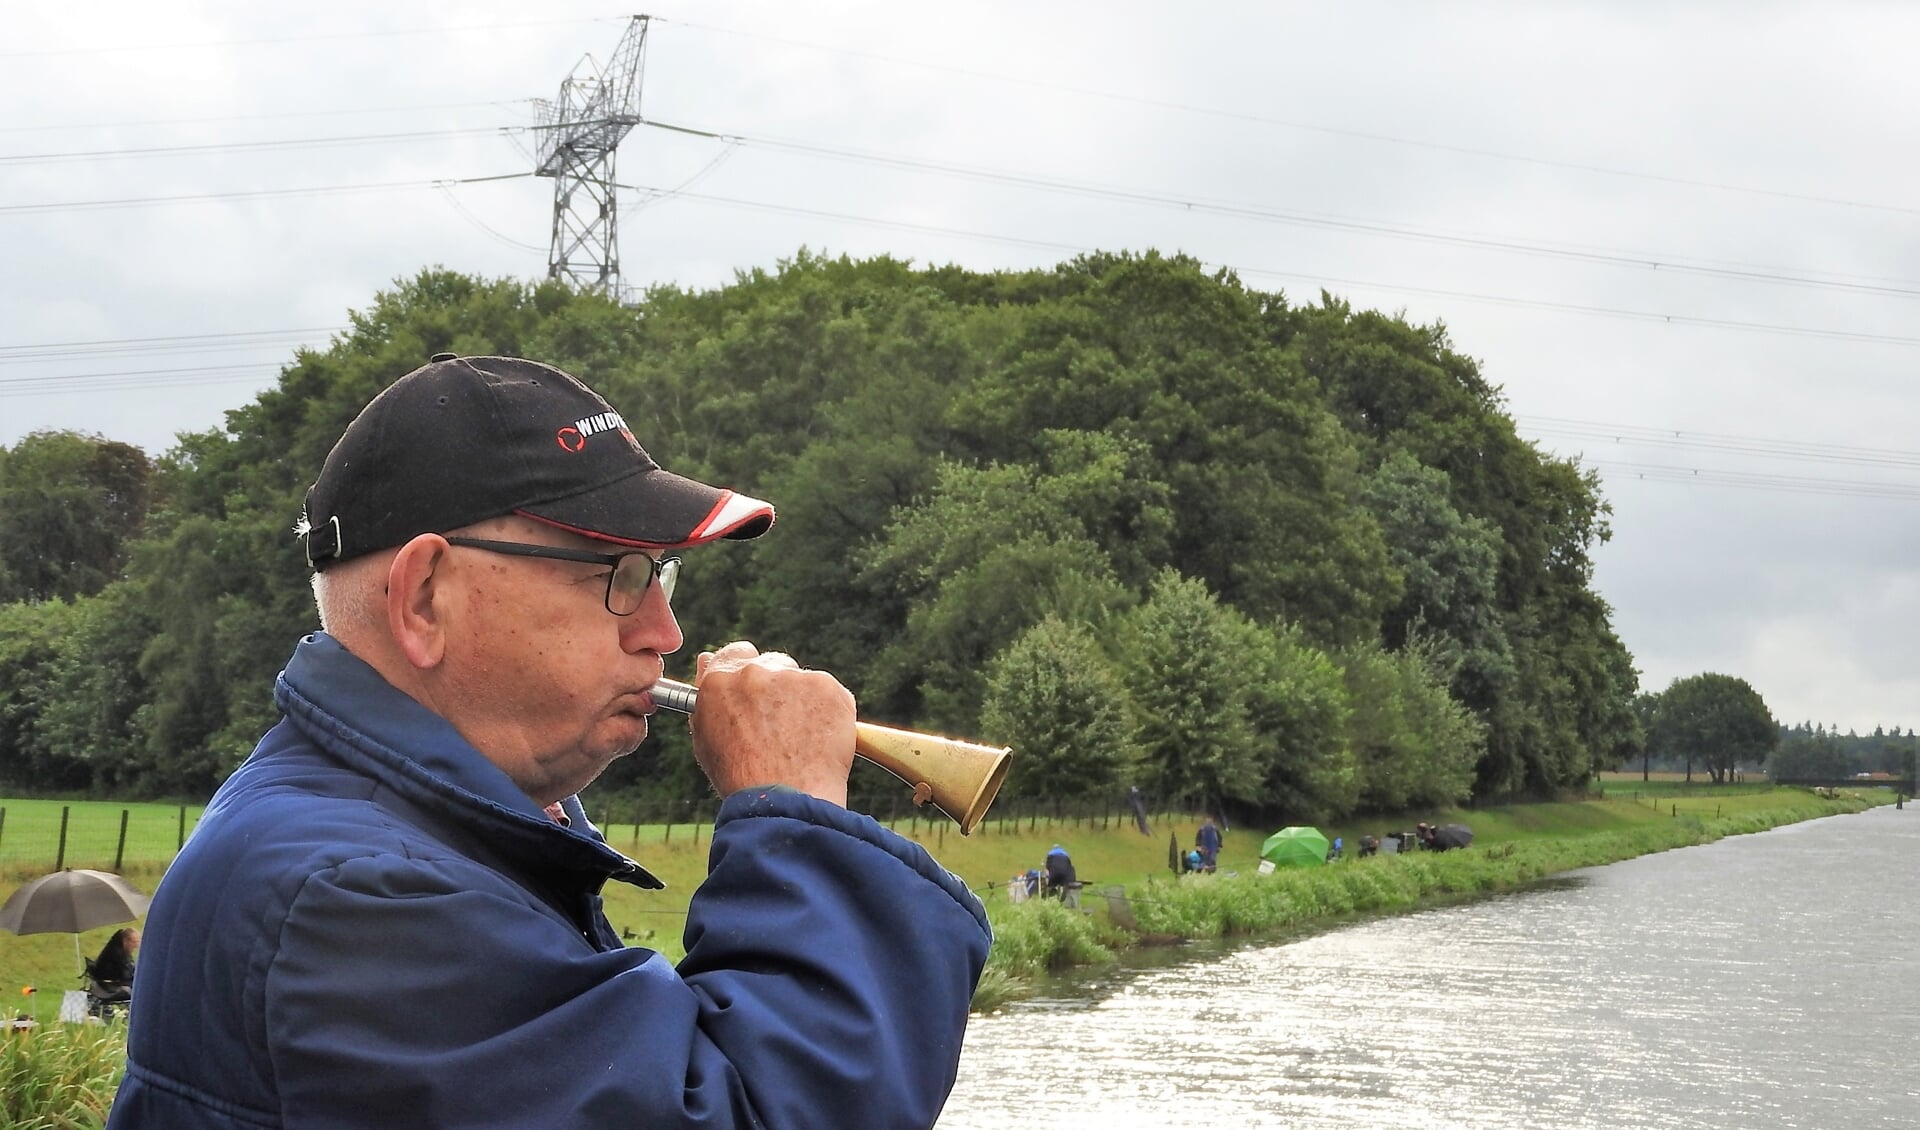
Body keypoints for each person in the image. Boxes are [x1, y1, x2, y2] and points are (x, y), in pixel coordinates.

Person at [108, 355, 991, 1128]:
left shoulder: (393, 837)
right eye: (621, 574)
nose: (664, 630)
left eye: (662, 574)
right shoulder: (356, 898)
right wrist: (793, 815)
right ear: (425, 598)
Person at [88, 927, 138, 1009]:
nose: (136, 946)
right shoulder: (117, 953)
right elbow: (125, 974)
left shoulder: (117, 948)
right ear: (125, 941)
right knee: (140, 987)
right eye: (134, 942)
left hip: (109, 983)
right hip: (108, 987)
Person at [1044, 844, 1080, 908]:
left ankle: (1049, 900)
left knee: (1051, 885)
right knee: (1065, 886)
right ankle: (1062, 901)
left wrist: (1048, 879)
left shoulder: (1050, 854)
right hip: (1065, 874)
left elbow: (1047, 867)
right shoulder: (1066, 854)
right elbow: (1069, 866)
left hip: (1054, 872)